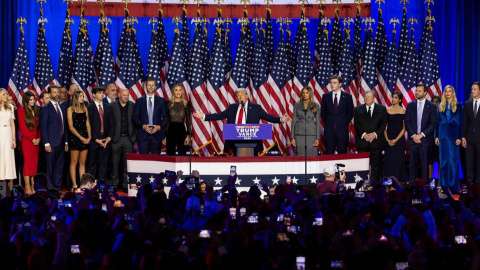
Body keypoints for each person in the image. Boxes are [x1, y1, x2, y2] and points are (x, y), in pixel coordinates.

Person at [193, 88, 289, 155]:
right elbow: (219, 115)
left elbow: (268, 117)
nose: (240, 98)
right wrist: (204, 116)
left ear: (246, 96)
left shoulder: (256, 108)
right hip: (235, 139)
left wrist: (281, 119)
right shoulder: (232, 108)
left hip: (252, 140)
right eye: (238, 96)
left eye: (242, 95)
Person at [354, 90, 387, 182]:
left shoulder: (382, 109)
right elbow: (356, 124)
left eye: (369, 96)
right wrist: (364, 135)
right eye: (365, 96)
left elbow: (383, 124)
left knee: (376, 165)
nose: (366, 98)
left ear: (374, 98)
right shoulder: (358, 109)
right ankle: (361, 184)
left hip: (376, 142)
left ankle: (374, 185)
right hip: (362, 142)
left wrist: (374, 134)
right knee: (362, 165)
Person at [405, 83, 436, 182]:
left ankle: (425, 189)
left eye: (419, 91)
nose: (417, 92)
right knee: (412, 166)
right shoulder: (410, 105)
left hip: (425, 141)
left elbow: (433, 123)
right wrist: (414, 135)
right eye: (416, 90)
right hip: (413, 140)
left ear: (425, 93)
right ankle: (412, 188)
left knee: (424, 166)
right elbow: (407, 121)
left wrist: (421, 135)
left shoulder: (431, 106)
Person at [434, 86, 462, 193]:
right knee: (443, 162)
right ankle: (443, 187)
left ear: (453, 93)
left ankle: (453, 187)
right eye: (446, 91)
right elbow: (437, 122)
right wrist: (436, 136)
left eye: (450, 91)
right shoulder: (441, 106)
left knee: (453, 162)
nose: (447, 93)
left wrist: (459, 137)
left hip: (454, 137)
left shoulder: (459, 106)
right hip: (442, 137)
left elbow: (460, 123)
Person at [40, 85, 68, 191]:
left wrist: (66, 142)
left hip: (61, 142)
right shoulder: (45, 108)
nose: (56, 94)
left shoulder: (63, 108)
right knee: (50, 166)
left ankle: (57, 187)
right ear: (49, 94)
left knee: (59, 166)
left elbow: (64, 126)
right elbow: (43, 127)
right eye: (54, 92)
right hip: (51, 143)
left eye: (58, 92)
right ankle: (51, 188)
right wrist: (46, 143)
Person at [133, 78, 168, 155]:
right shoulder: (139, 101)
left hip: (157, 136)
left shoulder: (161, 101)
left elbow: (166, 118)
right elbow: (135, 117)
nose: (151, 87)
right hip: (143, 136)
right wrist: (143, 126)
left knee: (156, 161)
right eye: (149, 85)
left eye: (153, 85)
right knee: (143, 160)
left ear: (155, 87)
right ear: (146, 86)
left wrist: (159, 127)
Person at [321, 75, 354, 155]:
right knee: (329, 155)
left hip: (342, 132)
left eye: (335, 83)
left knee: (342, 155)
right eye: (331, 83)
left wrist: (342, 122)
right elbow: (323, 113)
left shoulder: (347, 97)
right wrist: (330, 122)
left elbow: (350, 114)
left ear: (340, 84)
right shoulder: (325, 96)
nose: (332, 85)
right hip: (329, 132)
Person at [111, 88, 136, 191]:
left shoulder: (133, 106)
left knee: (127, 164)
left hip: (128, 139)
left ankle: (126, 185)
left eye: (128, 95)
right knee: (114, 163)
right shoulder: (112, 106)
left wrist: (134, 138)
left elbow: (136, 122)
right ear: (119, 95)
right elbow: (109, 122)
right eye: (124, 95)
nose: (126, 97)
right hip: (116, 139)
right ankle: (114, 185)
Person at [67, 90, 91, 191]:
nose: (82, 98)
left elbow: (87, 124)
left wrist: (89, 137)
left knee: (82, 162)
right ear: (75, 98)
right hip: (75, 138)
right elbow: (71, 127)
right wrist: (81, 138)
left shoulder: (85, 108)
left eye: (83, 96)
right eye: (80, 96)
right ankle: (74, 185)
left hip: (85, 138)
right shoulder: (70, 109)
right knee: (74, 162)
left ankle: (82, 185)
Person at [87, 86, 113, 181]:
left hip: (105, 140)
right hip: (94, 141)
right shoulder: (89, 107)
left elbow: (111, 124)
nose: (102, 94)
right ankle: (90, 184)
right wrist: (95, 139)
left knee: (104, 164)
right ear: (94, 95)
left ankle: (102, 185)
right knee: (92, 164)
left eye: (102, 93)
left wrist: (108, 138)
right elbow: (88, 125)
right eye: (99, 93)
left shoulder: (108, 107)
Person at [18, 91, 41, 195]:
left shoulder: (36, 109)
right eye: (30, 99)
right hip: (27, 141)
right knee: (28, 163)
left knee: (34, 164)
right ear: (26, 100)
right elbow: (23, 128)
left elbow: (39, 126)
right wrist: (32, 139)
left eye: (33, 99)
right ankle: (27, 186)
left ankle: (33, 185)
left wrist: (39, 138)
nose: (32, 101)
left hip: (36, 141)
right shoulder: (21, 110)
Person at [383, 91, 407, 182]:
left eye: (396, 97)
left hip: (399, 140)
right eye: (393, 97)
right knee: (389, 160)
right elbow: (383, 127)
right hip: (388, 139)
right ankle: (387, 183)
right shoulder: (387, 110)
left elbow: (404, 128)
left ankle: (398, 182)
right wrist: (387, 139)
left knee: (398, 161)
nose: (393, 99)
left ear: (400, 100)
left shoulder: (403, 111)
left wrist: (396, 140)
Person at [291, 86, 321, 156]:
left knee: (312, 155)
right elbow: (294, 122)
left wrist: (318, 138)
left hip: (311, 134)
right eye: (303, 93)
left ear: (310, 94)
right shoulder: (297, 105)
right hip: (299, 133)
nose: (305, 94)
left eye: (307, 93)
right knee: (299, 156)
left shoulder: (315, 105)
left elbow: (318, 122)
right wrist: (292, 137)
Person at [165, 84, 191, 156]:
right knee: (170, 154)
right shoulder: (168, 104)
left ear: (182, 92)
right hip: (171, 130)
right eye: (176, 90)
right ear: (173, 92)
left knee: (182, 154)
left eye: (180, 90)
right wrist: (164, 135)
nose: (178, 92)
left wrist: (188, 135)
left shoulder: (186, 104)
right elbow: (166, 120)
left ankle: (182, 168)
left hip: (181, 130)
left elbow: (189, 121)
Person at [463, 82, 480, 184]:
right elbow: (465, 121)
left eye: (474, 89)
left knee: (479, 165)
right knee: (469, 165)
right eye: (472, 89)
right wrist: (463, 137)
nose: (472, 91)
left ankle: (478, 189)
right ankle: (469, 188)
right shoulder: (467, 104)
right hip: (469, 139)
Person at [0, 88, 16, 191]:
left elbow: (12, 124)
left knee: (8, 158)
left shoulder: (10, 107)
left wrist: (14, 139)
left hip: (8, 133)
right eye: (4, 94)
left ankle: (8, 188)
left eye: (6, 94)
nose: (6, 96)